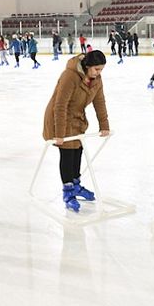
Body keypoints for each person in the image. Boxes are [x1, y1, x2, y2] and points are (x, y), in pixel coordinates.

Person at [42, 50, 110, 212]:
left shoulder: (96, 80)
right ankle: (68, 192)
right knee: (67, 153)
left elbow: (99, 101)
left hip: (77, 118)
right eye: (96, 69)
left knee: (78, 150)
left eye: (101, 69)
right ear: (87, 66)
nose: (99, 73)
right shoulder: (69, 76)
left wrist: (104, 124)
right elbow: (60, 105)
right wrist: (59, 133)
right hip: (59, 118)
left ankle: (76, 184)